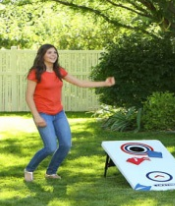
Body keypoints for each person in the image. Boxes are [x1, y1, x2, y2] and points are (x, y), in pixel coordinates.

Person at [24, 44, 115, 182]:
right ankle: (29, 169)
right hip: (43, 113)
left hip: (59, 113)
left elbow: (80, 83)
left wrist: (104, 83)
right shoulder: (35, 73)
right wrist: (36, 116)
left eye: (55, 52)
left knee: (66, 144)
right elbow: (29, 96)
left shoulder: (58, 71)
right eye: (49, 53)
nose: (53, 55)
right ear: (42, 54)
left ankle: (51, 172)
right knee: (50, 147)